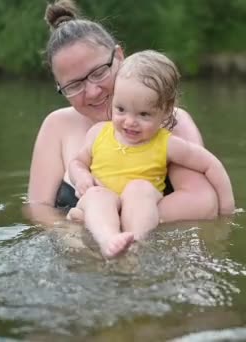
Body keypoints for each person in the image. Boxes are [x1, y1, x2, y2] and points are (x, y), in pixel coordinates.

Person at [25, 0, 227, 226]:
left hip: (149, 251)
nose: (92, 92)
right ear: (59, 87)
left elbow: (203, 203)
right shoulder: (57, 126)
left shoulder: (172, 122)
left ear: (119, 56)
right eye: (73, 85)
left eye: (99, 72)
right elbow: (38, 209)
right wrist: (77, 237)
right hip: (77, 252)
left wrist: (111, 222)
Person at [67, 50, 235, 257]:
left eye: (144, 114)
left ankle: (134, 242)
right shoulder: (98, 133)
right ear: (113, 100)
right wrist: (82, 177)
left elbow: (210, 164)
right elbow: (77, 161)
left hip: (140, 204)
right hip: (103, 198)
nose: (129, 122)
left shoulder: (167, 143)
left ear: (165, 111)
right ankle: (108, 240)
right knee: (96, 195)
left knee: (139, 190)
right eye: (120, 109)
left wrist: (227, 210)